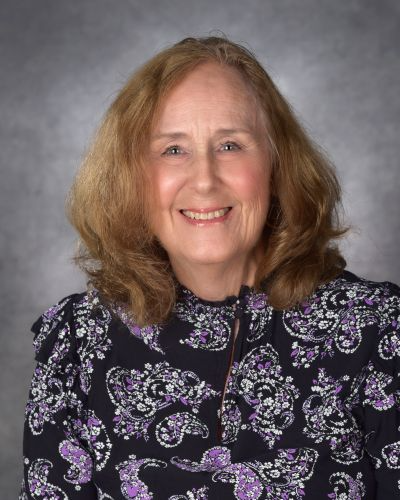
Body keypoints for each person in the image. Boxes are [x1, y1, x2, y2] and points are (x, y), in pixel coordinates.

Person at [19, 35, 400, 499]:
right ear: (131, 178)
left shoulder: (378, 331)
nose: (204, 180)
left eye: (230, 145)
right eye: (172, 150)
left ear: (277, 165)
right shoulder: (77, 344)